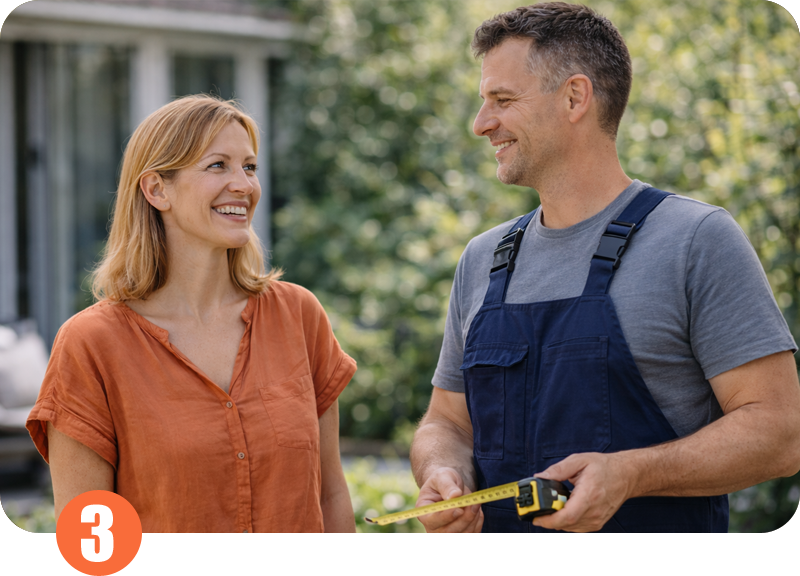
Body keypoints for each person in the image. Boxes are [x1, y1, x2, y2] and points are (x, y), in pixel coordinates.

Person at [410, 2, 800, 533]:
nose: (482, 124)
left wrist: (632, 473)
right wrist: (443, 470)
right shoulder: (483, 258)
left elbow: (781, 434)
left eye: (502, 100)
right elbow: (447, 421)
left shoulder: (695, 240)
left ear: (575, 97)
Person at [26, 95, 357, 532]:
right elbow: (91, 546)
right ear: (157, 189)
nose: (244, 185)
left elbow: (330, 494)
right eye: (218, 165)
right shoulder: (91, 345)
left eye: (250, 167)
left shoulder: (298, 315)